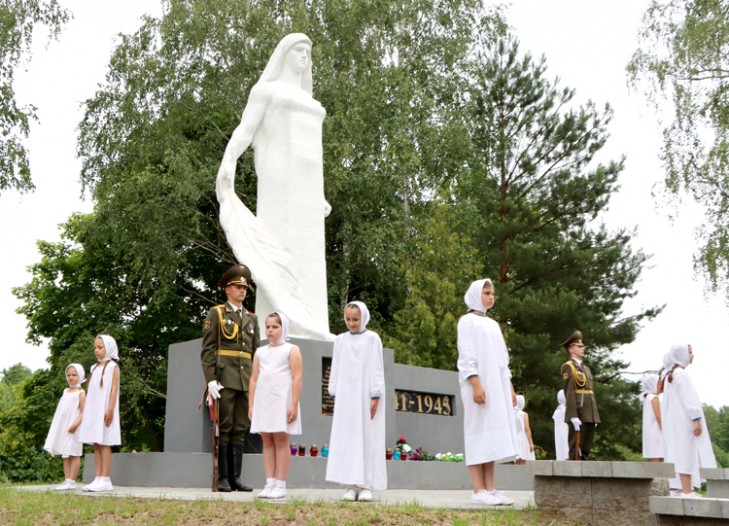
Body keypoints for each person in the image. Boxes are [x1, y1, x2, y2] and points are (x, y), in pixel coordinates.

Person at [216, 33, 331, 340]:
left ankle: (311, 326)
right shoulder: (266, 90)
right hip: (281, 179)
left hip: (308, 185)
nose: (304, 56)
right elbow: (245, 130)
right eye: (298, 50)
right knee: (283, 249)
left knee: (309, 258)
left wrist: (319, 193)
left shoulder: (309, 100)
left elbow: (313, 149)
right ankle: (280, 322)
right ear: (284, 55)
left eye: (308, 51)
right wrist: (229, 161)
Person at [457, 279, 518, 506]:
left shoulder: (493, 325)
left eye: (492, 293)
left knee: (491, 434)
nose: (491, 297)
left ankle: (490, 488)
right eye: (486, 293)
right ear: (475, 295)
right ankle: (477, 489)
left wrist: (509, 387)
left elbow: (503, 360)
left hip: (497, 387)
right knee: (477, 432)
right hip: (478, 386)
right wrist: (475, 383)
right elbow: (467, 356)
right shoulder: (467, 322)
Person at [201, 264, 260, 492]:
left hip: (246, 380)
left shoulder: (251, 318)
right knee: (224, 427)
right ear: (227, 289)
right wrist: (210, 379)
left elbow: (255, 354)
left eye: (244, 288)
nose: (242, 291)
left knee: (240, 427)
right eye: (237, 287)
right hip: (224, 378)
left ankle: (236, 477)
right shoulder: (216, 313)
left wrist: (256, 380)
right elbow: (207, 349)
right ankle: (223, 477)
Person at [325, 301, 386, 502]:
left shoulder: (372, 339)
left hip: (365, 396)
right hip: (346, 398)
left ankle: (366, 485)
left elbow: (377, 367)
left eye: (356, 319)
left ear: (364, 318)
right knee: (348, 438)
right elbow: (336, 367)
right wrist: (334, 392)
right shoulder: (340, 340)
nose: (351, 323)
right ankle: (350, 484)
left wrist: (375, 394)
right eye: (349, 319)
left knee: (367, 437)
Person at [248, 312, 302, 499]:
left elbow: (297, 377)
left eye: (275, 327)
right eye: (268, 327)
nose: (270, 330)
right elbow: (254, 379)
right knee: (267, 441)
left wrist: (293, 404)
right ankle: (269, 482)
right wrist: (251, 404)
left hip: (282, 400)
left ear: (283, 328)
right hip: (264, 400)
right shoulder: (260, 352)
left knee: (280, 440)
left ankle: (281, 484)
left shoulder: (291, 349)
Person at [662, 343, 717, 497]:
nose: (692, 355)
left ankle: (679, 488)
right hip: (685, 421)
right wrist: (696, 419)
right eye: (690, 352)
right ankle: (687, 490)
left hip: (675, 422)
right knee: (687, 454)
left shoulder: (669, 375)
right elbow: (690, 398)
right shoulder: (681, 374)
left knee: (678, 453)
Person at [78, 335, 121, 492]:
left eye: (100, 347)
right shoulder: (94, 368)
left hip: (105, 409)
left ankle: (105, 478)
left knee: (104, 443)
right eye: (95, 347)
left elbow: (114, 389)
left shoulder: (112, 367)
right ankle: (97, 477)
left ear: (108, 347)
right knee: (95, 443)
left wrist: (109, 409)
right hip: (94, 411)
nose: (97, 350)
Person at [44, 363, 86, 490]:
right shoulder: (65, 391)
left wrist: (75, 425)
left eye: (74, 375)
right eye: (68, 375)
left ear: (80, 375)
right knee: (66, 454)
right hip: (64, 428)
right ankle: (67, 480)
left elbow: (84, 412)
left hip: (74, 429)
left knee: (74, 453)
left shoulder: (81, 393)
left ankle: (72, 481)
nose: (71, 377)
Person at [561, 330, 600, 460]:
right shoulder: (569, 367)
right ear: (571, 349)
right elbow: (570, 392)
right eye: (579, 346)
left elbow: (590, 393)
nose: (583, 348)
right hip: (579, 411)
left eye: (583, 346)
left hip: (589, 412)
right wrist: (573, 415)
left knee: (586, 450)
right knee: (576, 450)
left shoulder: (586, 369)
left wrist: (594, 415)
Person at [640, 373, 664, 462]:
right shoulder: (654, 398)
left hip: (651, 431)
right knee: (658, 456)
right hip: (657, 431)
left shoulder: (647, 398)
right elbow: (659, 416)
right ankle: (660, 475)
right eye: (659, 384)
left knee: (655, 456)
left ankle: (658, 475)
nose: (661, 386)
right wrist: (665, 430)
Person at [514, 394, 535, 463]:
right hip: (523, 439)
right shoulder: (523, 414)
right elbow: (527, 429)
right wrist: (530, 443)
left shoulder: (511, 414)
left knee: (517, 459)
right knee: (524, 458)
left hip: (515, 439)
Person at [552, 389, 569, 461]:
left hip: (559, 432)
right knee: (566, 444)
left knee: (560, 446)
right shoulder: (565, 409)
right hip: (566, 431)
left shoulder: (557, 410)